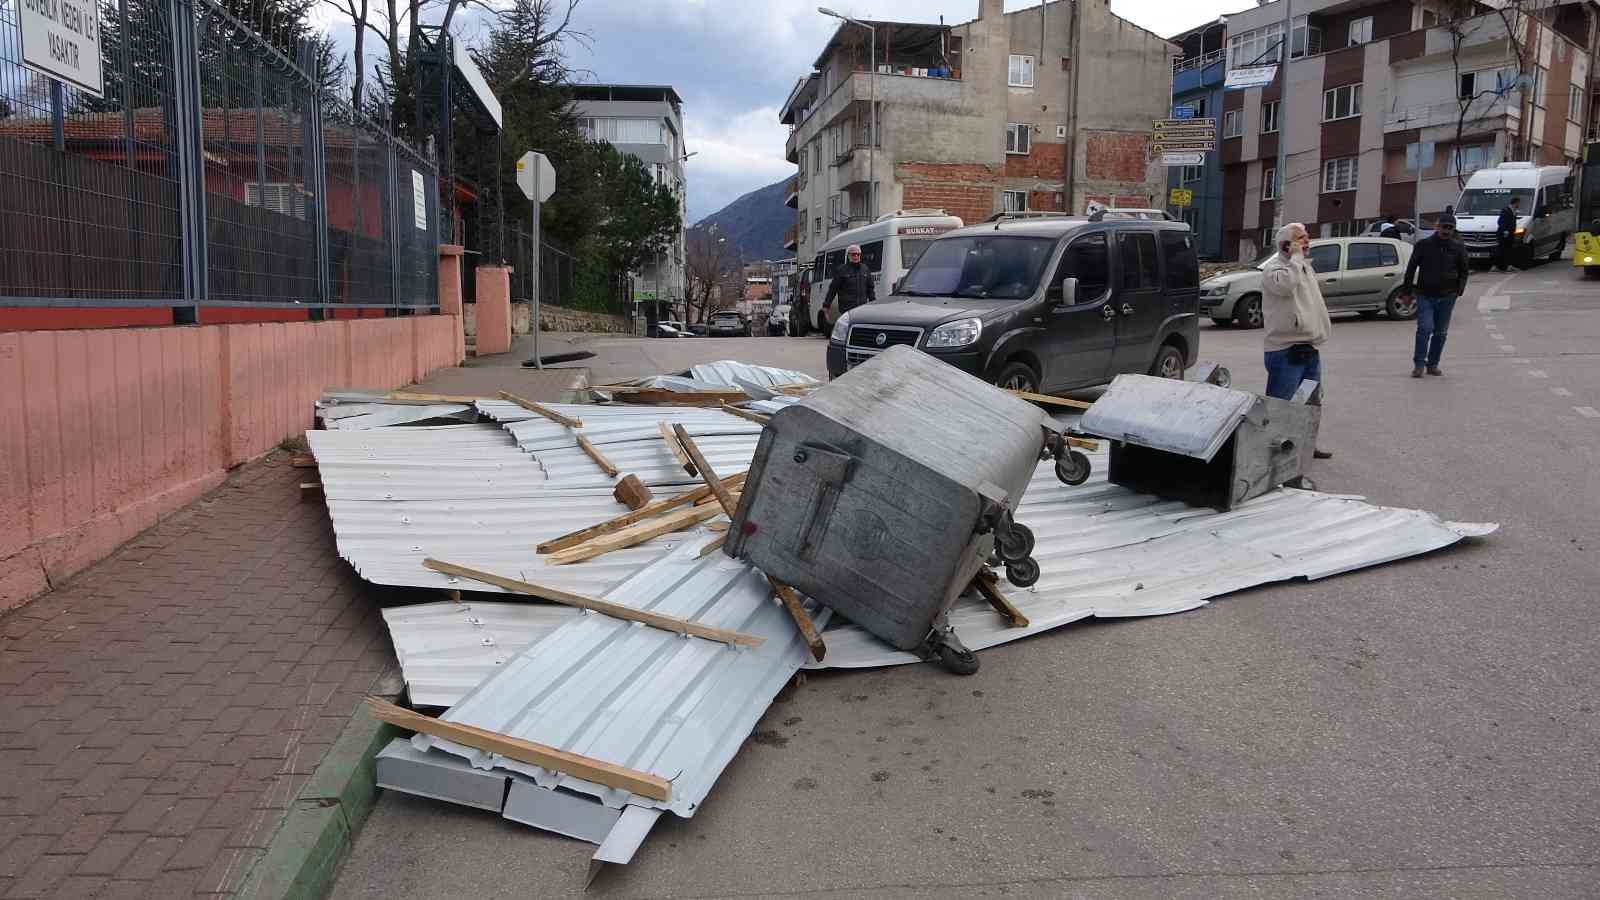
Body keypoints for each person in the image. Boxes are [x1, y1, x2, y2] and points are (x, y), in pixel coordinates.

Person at [1261, 222, 1334, 459]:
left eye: (1306, 237)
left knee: (1313, 402)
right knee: (1282, 406)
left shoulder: (1302, 267)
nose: (1306, 242)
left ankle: (1307, 445)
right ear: (1286, 245)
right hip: (1284, 349)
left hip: (1309, 346)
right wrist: (1295, 258)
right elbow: (1285, 287)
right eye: (1300, 239)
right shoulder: (1274, 269)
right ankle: (1271, 451)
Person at [1401, 212, 1469, 378]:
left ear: (1453, 229)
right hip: (1425, 295)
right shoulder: (1423, 245)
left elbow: (1464, 271)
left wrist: (1458, 290)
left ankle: (1433, 364)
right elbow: (1411, 269)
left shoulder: (1458, 247)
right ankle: (1418, 365)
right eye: (1443, 227)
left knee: (1440, 332)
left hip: (1447, 296)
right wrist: (1407, 293)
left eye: (1450, 228)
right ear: (1437, 227)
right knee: (1424, 329)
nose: (1446, 231)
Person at [824, 244, 876, 318]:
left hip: (862, 309)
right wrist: (826, 305)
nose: (856, 256)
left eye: (858, 254)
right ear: (848, 255)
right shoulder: (841, 270)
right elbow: (833, 289)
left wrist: (873, 303)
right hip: (847, 311)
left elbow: (870, 289)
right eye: (853, 254)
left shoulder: (865, 269)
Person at [1494, 196, 1521, 271]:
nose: (1519, 205)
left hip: (1510, 234)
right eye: (1518, 203)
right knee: (1502, 249)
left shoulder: (1513, 210)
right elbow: (1500, 221)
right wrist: (1504, 230)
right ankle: (1497, 266)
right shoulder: (1505, 210)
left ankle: (1508, 266)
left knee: (1509, 250)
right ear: (1515, 203)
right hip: (1504, 234)